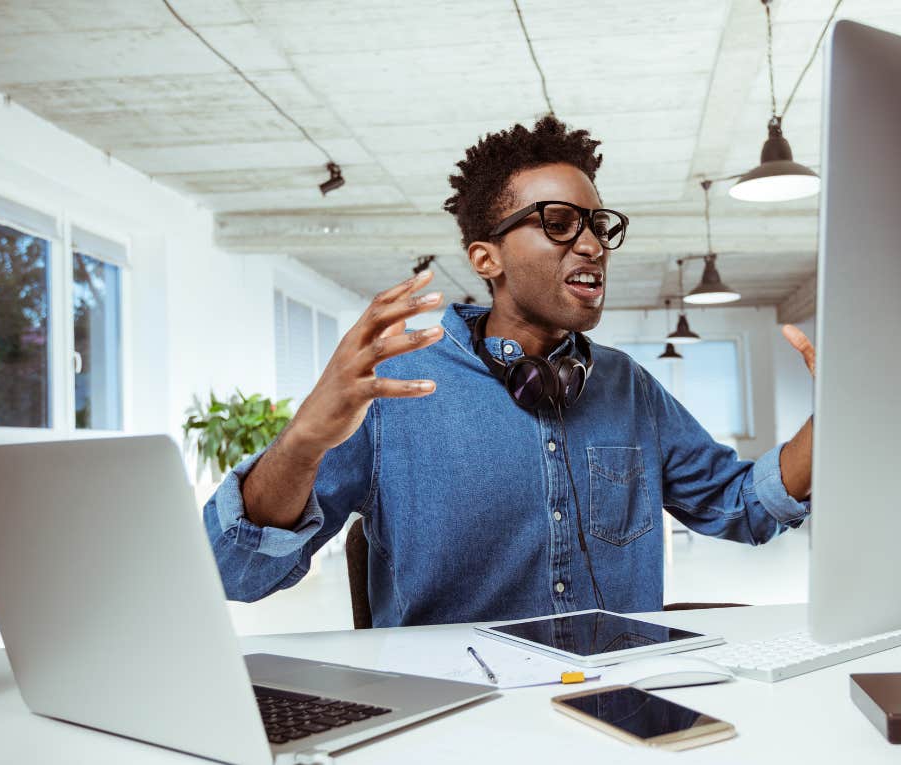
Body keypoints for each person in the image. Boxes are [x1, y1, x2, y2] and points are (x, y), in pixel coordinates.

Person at [203, 116, 816, 627]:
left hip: (617, 698)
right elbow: (237, 570)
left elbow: (741, 506)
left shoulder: (628, 387)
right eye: (558, 223)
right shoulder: (396, 385)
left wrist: (837, 413)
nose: (593, 245)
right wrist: (304, 440)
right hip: (456, 712)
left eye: (598, 225)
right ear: (485, 256)